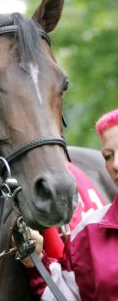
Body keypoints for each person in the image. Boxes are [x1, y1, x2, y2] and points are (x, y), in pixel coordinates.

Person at [22, 108, 118, 301]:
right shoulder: (88, 232)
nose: (116, 164)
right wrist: (36, 261)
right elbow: (68, 297)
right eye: (108, 156)